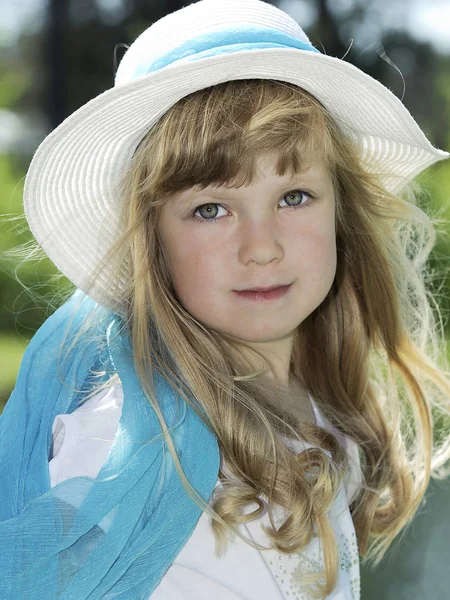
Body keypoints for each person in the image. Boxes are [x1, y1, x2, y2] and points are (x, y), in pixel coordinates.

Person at [1, 0, 450, 598]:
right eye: (210, 209)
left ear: (343, 212)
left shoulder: (318, 413)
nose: (260, 248)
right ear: (153, 243)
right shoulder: (124, 451)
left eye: (294, 197)